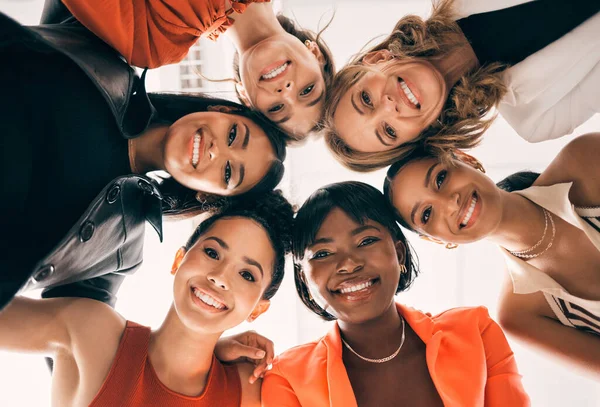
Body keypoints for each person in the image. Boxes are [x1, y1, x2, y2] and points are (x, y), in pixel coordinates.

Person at [0, 13, 286, 310]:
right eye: (233, 134)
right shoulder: (109, 50)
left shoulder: (118, 253)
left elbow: (81, 337)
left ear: (209, 195)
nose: (217, 151)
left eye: (228, 172)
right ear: (220, 109)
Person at [0, 190, 294, 406]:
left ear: (259, 309)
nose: (219, 277)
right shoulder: (93, 331)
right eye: (212, 253)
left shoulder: (252, 390)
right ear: (178, 260)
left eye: (247, 275)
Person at [262, 181, 530, 406]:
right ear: (303, 279)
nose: (348, 263)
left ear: (399, 252)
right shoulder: (287, 378)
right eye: (323, 254)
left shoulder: (475, 332)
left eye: (366, 241)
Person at [384, 133, 600, 378]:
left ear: (465, 158)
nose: (451, 204)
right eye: (426, 214)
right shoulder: (520, 315)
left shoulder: (585, 161)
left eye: (441, 178)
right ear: (435, 239)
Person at [321, 0, 600, 171]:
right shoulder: (537, 121)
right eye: (389, 130)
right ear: (420, 135)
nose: (389, 107)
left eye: (366, 100)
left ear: (377, 58)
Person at [47, 0, 335, 138]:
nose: (286, 91)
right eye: (308, 90)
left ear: (245, 98)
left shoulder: (152, 43)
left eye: (276, 109)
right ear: (315, 52)